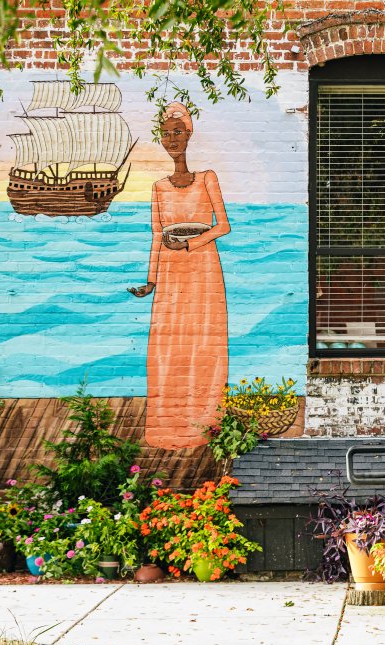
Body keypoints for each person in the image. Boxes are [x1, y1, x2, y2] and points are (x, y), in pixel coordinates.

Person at [128, 102, 229, 449]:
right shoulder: (158, 187)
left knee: (203, 342)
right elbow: (157, 235)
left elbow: (223, 226)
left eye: (178, 132)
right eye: (166, 134)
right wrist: (151, 281)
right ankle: (167, 424)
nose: (172, 139)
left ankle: (205, 422)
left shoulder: (207, 178)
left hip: (202, 267)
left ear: (189, 134)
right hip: (170, 274)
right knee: (169, 346)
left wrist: (190, 245)